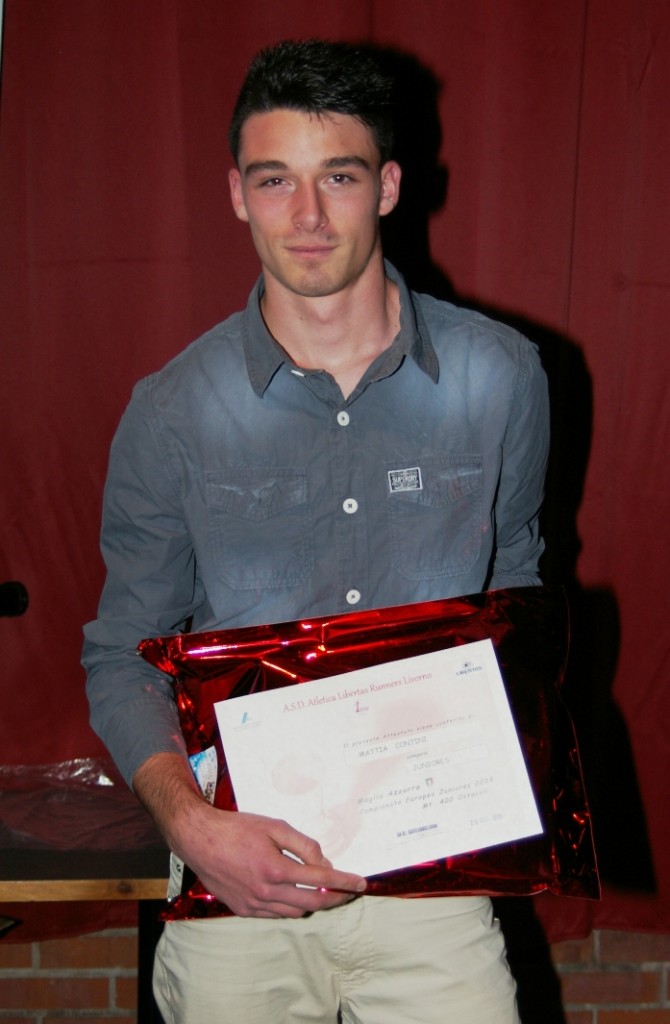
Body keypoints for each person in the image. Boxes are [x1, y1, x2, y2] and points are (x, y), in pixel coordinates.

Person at [83, 38, 549, 1024]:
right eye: (274, 180)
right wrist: (193, 828)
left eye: (336, 177)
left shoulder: (500, 377)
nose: (305, 215)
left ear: (387, 186)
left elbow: (515, 586)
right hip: (238, 872)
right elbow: (121, 656)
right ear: (236, 194)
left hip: (431, 877)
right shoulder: (171, 411)